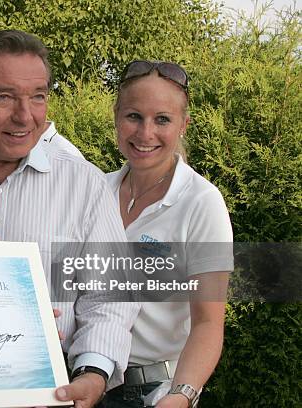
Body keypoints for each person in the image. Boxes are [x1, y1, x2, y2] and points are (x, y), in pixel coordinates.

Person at [0, 29, 139, 408]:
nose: (25, 115)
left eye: (38, 97)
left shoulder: (84, 185)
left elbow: (110, 298)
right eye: (4, 97)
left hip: (51, 394)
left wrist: (93, 375)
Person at [101, 61, 233, 408]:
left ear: (183, 126)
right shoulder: (95, 191)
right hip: (86, 379)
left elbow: (207, 324)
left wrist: (181, 396)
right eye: (133, 116)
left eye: (162, 119)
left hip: (153, 393)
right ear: (116, 118)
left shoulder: (202, 203)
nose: (145, 134)